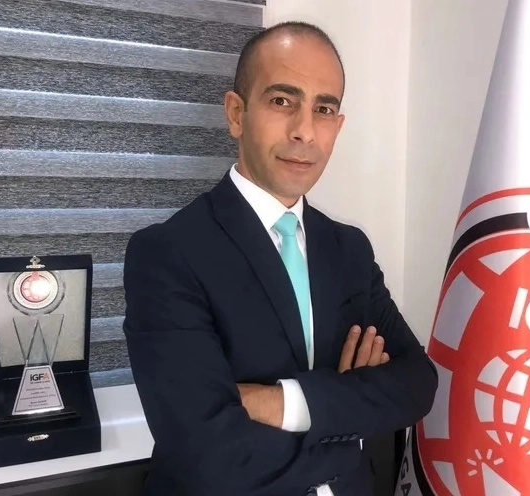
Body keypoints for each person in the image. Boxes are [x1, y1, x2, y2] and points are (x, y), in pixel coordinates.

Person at [122, 20, 438, 496]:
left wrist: (282, 403)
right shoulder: (167, 253)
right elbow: (209, 454)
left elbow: (417, 384)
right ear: (236, 113)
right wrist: (350, 427)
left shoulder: (350, 249)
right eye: (282, 101)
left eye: (323, 109)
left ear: (338, 126)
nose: (304, 131)